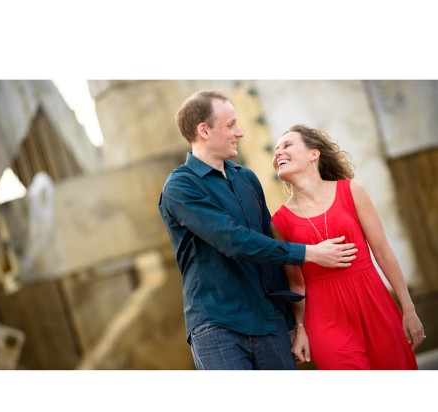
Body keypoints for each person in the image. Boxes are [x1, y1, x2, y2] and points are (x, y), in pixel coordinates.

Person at [158, 91, 359, 370]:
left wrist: (292, 323)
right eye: (230, 125)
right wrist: (308, 253)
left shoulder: (246, 178)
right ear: (203, 130)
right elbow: (233, 240)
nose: (239, 132)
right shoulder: (180, 187)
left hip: (270, 322)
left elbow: (268, 246)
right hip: (218, 328)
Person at [271, 124, 422, 369]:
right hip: (324, 319)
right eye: (275, 150)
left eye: (287, 145)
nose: (278, 153)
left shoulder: (351, 190)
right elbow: (295, 282)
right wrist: (300, 328)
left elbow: (382, 251)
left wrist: (408, 308)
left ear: (313, 154)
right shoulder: (279, 221)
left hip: (374, 303)